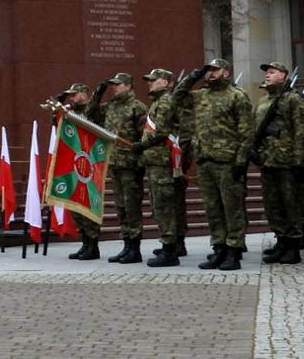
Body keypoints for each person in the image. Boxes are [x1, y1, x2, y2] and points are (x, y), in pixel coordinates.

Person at [191, 60, 253, 271]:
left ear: (225, 72)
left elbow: (246, 132)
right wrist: (194, 77)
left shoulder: (237, 95)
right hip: (205, 161)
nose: (210, 74)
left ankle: (233, 251)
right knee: (213, 209)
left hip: (227, 162)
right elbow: (177, 99)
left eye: (214, 70)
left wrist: (241, 162)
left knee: (231, 209)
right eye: (208, 70)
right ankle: (219, 249)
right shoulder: (200, 95)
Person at [250, 62, 304, 265]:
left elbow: (301, 131)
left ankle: (293, 245)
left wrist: (299, 162)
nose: (267, 75)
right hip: (268, 161)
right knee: (273, 204)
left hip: (287, 162)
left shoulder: (293, 99)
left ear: (283, 75)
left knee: (290, 204)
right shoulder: (263, 101)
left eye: (272, 72)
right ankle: (281, 240)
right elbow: (255, 129)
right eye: (266, 72)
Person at [91, 73, 148, 264]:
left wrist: (140, 159)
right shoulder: (111, 106)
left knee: (132, 207)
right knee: (121, 207)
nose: (114, 87)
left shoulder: (137, 107)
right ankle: (126, 245)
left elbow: (145, 137)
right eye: (113, 85)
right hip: (115, 162)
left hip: (131, 165)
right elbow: (91, 115)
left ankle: (135, 248)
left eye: (118, 84)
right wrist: (97, 95)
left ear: (129, 86)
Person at [136, 68, 189, 267]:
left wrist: (141, 144)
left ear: (166, 82)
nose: (150, 83)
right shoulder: (158, 101)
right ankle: (170, 245)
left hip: (162, 161)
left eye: (154, 80)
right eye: (149, 80)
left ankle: (169, 251)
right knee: (161, 205)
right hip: (156, 161)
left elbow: (161, 131)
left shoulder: (165, 101)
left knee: (164, 207)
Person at [55, 84, 104, 260]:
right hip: (76, 163)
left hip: (90, 164)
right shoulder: (70, 112)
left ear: (84, 94)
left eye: (74, 95)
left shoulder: (93, 110)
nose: (71, 99)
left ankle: (93, 245)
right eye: (69, 96)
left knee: (88, 203)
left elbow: (92, 117)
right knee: (77, 205)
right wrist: (58, 102)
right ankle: (85, 243)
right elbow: (57, 121)